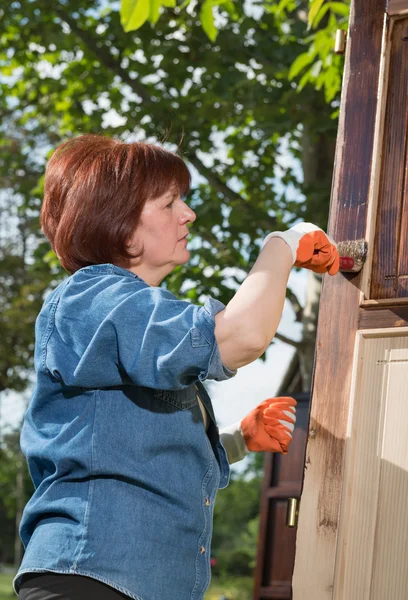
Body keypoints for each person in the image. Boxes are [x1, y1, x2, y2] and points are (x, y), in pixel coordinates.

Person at [13, 134, 339, 600]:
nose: (187, 214)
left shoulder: (135, 318)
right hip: (89, 580)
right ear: (121, 225)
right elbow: (240, 336)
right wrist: (282, 245)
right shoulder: (94, 297)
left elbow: (142, 453)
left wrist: (237, 440)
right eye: (169, 203)